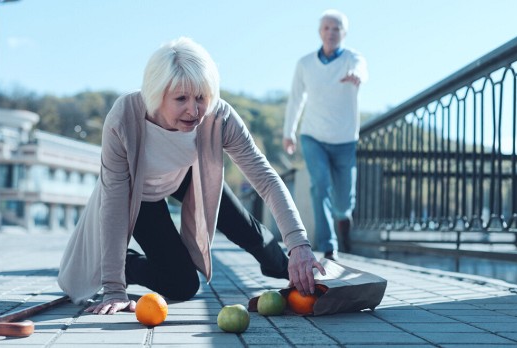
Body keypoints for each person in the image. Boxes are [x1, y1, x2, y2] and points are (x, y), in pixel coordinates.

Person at [58, 37, 325, 315]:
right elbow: (113, 202)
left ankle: (295, 272)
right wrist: (114, 287)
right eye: (181, 99)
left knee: (251, 233)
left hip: (187, 175)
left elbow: (267, 180)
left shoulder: (219, 116)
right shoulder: (124, 118)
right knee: (182, 285)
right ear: (157, 94)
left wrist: (299, 245)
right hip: (138, 193)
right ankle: (124, 264)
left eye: (201, 97)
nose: (194, 110)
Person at [283, 9, 368, 260]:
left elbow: (362, 69)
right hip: (313, 136)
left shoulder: (353, 59)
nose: (331, 32)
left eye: (336, 28)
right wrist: (290, 133)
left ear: (344, 33)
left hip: (345, 139)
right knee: (319, 186)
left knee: (343, 203)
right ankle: (328, 247)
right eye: (327, 28)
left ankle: (343, 220)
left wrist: (357, 76)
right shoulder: (305, 64)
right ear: (320, 32)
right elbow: (296, 99)